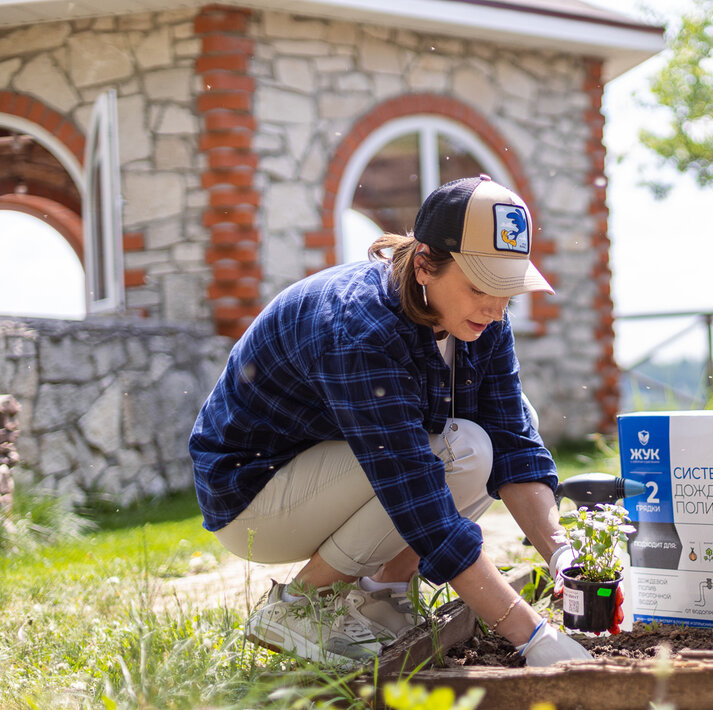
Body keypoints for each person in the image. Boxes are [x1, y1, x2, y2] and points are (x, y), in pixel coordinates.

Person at [189, 175, 591, 668]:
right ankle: (297, 608)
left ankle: (382, 599)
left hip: (338, 476)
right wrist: (531, 637)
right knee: (456, 450)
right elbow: (415, 494)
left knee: (491, 436)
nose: (495, 306)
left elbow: (513, 440)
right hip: (255, 498)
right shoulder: (360, 328)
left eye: (508, 289)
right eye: (482, 285)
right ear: (424, 264)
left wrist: (564, 555)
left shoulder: (483, 320)